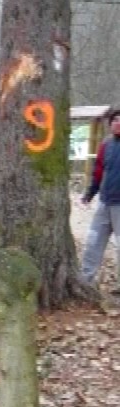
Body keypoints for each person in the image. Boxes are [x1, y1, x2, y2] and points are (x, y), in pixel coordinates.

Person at [79, 108, 120, 291]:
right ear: (110, 124)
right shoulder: (106, 145)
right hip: (104, 203)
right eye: (115, 120)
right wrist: (90, 194)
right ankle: (85, 282)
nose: (118, 123)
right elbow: (98, 172)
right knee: (93, 242)